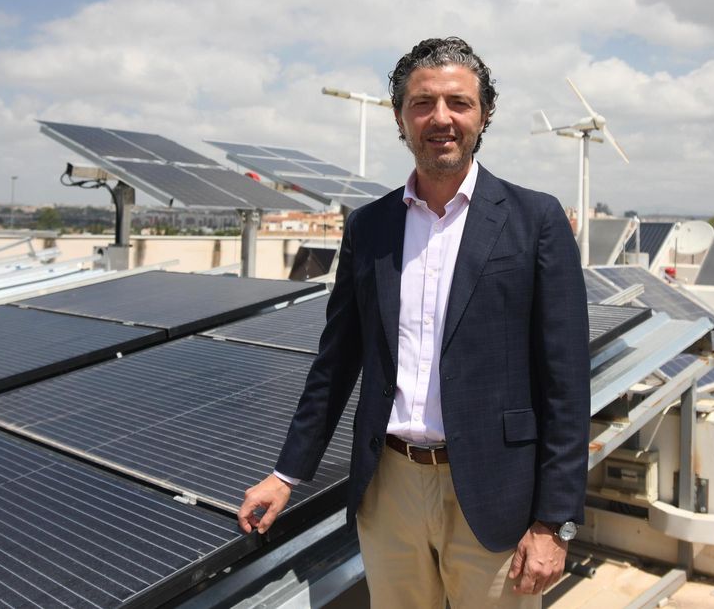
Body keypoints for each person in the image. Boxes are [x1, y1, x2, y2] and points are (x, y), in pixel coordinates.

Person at [237, 37, 590, 608]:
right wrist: (286, 475)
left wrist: (555, 522)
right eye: (423, 103)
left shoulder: (535, 219)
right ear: (400, 117)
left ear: (485, 113)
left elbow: (567, 384)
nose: (441, 118)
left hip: (497, 489)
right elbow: (335, 363)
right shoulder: (370, 227)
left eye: (459, 102)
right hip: (389, 486)